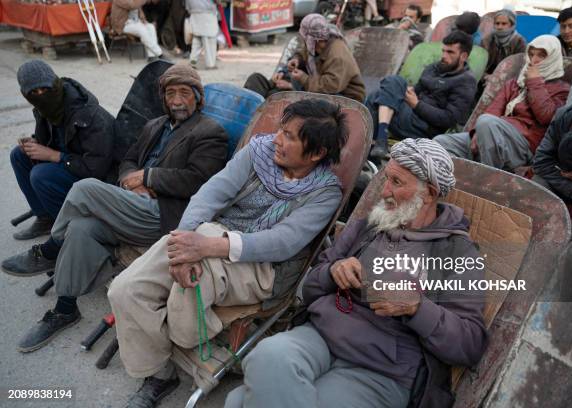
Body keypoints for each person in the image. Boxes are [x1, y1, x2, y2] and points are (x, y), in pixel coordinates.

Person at [108, 98, 348, 408]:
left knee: (188, 297)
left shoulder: (325, 192)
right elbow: (212, 192)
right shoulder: (259, 152)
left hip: (262, 266)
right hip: (205, 238)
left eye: (289, 136)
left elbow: (283, 242)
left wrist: (208, 245)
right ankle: (160, 372)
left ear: (316, 153)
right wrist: (185, 243)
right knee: (126, 289)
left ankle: (193, 346)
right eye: (281, 130)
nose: (277, 139)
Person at [225, 138, 487, 408]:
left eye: (396, 183)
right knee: (267, 355)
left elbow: (470, 343)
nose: (384, 191)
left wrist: (417, 308)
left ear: (429, 193)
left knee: (239, 402)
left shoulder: (458, 252)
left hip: (380, 369)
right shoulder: (370, 226)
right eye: (386, 179)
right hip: (320, 336)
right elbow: (309, 289)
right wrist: (332, 272)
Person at [2, 64, 228, 353]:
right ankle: (65, 308)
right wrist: (129, 182)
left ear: (198, 97)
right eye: (171, 93)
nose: (177, 100)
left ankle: (49, 250)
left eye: (185, 93)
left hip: (166, 214)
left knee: (85, 189)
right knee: (82, 227)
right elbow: (127, 160)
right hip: (135, 202)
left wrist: (148, 178)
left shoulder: (210, 132)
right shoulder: (155, 125)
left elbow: (199, 180)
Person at [8, 60, 114, 242]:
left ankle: (68, 234)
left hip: (102, 178)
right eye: (34, 93)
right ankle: (46, 218)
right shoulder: (45, 109)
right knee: (19, 155)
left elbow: (97, 168)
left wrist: (52, 155)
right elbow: (57, 138)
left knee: (40, 174)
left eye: (45, 89)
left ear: (55, 84)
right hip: (73, 164)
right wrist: (35, 142)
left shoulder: (88, 113)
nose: (41, 96)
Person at [434, 35, 570, 171]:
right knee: (440, 142)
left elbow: (546, 116)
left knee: (487, 122)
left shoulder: (561, 89)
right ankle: (456, 178)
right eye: (531, 54)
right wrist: (477, 132)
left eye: (541, 56)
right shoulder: (515, 83)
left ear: (552, 58)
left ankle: (487, 177)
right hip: (494, 134)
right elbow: (494, 109)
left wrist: (534, 82)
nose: (533, 60)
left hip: (522, 145)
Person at [367, 30, 477, 159]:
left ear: (463, 56)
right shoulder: (434, 68)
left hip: (425, 128)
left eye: (450, 52)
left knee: (377, 97)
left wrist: (416, 105)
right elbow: (417, 90)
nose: (444, 56)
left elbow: (448, 119)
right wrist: (405, 92)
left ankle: (376, 144)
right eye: (443, 51)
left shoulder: (466, 82)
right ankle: (379, 143)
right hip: (411, 115)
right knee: (392, 84)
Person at [244, 14, 365, 102]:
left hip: (341, 98)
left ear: (314, 39)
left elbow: (330, 87)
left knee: (278, 96)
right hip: (311, 89)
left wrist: (298, 83)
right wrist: (295, 61)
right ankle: (254, 115)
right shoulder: (316, 44)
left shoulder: (338, 54)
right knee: (255, 80)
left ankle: (262, 114)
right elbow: (304, 54)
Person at [481, 10, 526, 80]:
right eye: (497, 23)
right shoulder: (487, 40)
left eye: (504, 24)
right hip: (486, 78)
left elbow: (519, 66)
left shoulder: (519, 41)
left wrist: (498, 78)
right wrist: (485, 76)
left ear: (511, 25)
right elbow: (479, 65)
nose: (500, 27)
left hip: (508, 80)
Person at [186, 0, 219, 69]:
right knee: (209, 42)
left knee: (197, 41)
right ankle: (210, 64)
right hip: (207, 14)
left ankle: (192, 62)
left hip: (194, 13)